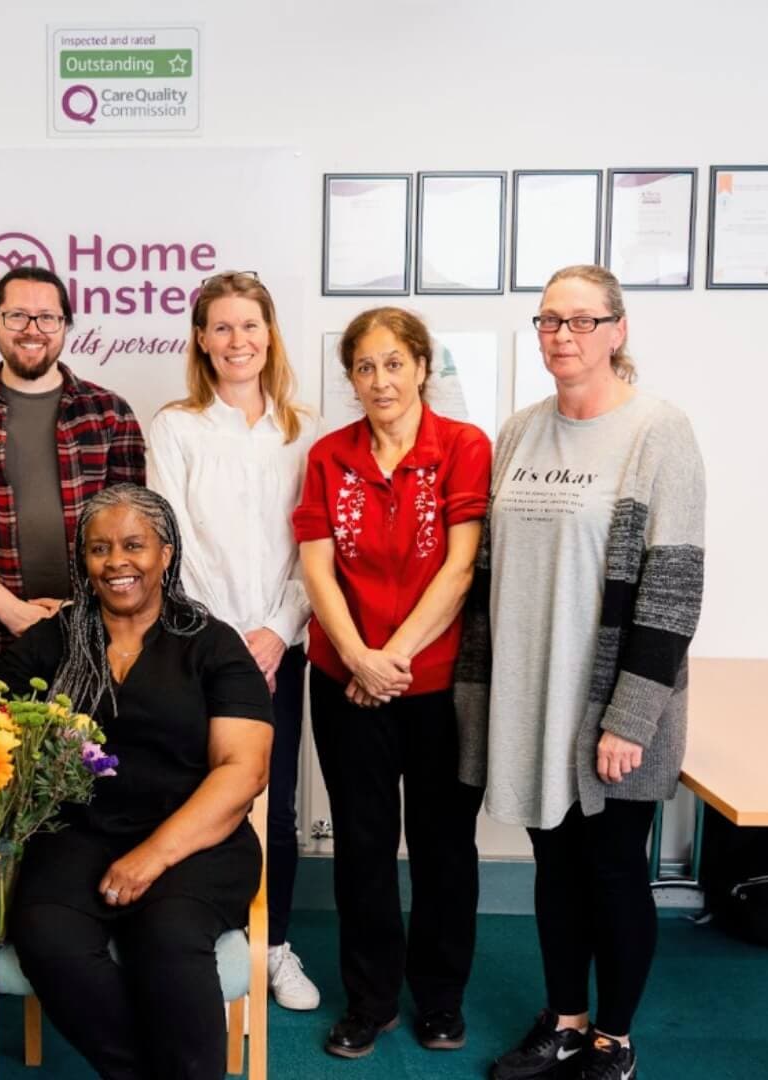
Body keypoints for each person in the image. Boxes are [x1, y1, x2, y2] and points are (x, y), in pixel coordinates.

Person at [0, 484, 273, 1080]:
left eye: (134, 545)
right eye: (99, 548)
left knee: (167, 937)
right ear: (82, 560)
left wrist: (152, 857)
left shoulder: (213, 645)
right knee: (45, 934)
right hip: (76, 834)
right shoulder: (49, 643)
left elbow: (244, 770)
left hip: (195, 840)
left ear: (166, 554)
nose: (117, 562)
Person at [456, 265, 705, 1080]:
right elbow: (489, 573)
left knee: (612, 869)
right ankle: (563, 1020)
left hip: (611, 700)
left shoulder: (656, 432)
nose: (562, 335)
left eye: (581, 320)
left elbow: (672, 589)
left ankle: (614, 1039)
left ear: (617, 330)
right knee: (555, 866)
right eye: (548, 320)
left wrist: (628, 718)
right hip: (530, 693)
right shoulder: (519, 432)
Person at [292, 307, 492, 1060]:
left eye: (394, 363)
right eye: (365, 367)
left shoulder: (464, 446)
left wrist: (390, 659)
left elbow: (460, 569)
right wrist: (357, 657)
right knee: (363, 846)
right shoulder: (327, 455)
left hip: (438, 685)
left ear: (422, 367)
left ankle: (440, 999)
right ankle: (370, 1001)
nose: (381, 381)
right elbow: (316, 568)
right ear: (351, 377)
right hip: (345, 682)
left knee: (445, 847)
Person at [147, 270, 321, 1011]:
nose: (236, 340)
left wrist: (277, 633)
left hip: (285, 644)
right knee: (197, 794)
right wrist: (227, 644)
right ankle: (205, 939)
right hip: (197, 647)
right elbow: (168, 542)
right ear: (200, 340)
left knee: (273, 804)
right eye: (220, 327)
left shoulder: (305, 431)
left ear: (270, 335)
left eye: (249, 325)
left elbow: (317, 551)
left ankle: (272, 945)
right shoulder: (176, 427)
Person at [0, 265, 146, 673]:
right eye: (17, 316)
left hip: (98, 636)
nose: (32, 330)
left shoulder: (110, 414)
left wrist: (77, 611)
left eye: (47, 317)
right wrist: (12, 611)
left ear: (65, 324)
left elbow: (133, 532)